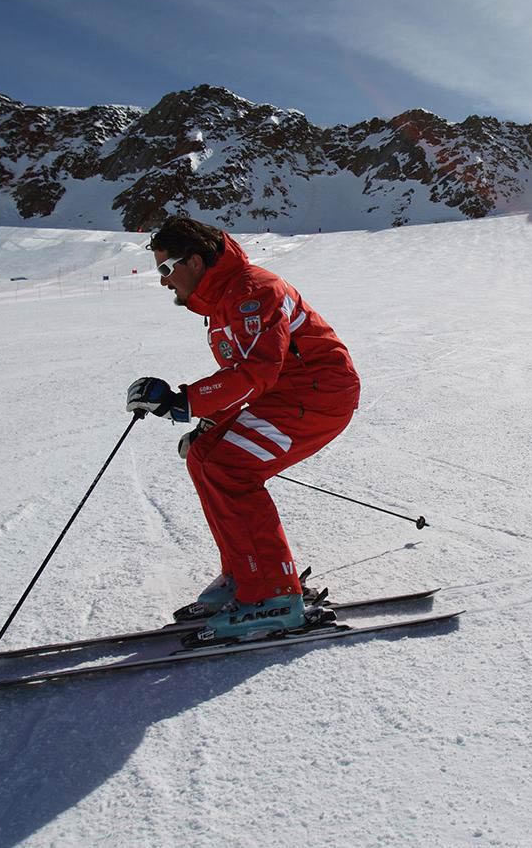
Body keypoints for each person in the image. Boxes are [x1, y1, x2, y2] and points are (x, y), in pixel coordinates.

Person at [127, 215, 361, 643]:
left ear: (194, 261)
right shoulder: (225, 299)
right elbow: (245, 374)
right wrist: (208, 422)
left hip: (318, 393)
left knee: (229, 467)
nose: (162, 282)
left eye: (165, 269)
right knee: (205, 456)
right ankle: (244, 573)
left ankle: (274, 594)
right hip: (285, 394)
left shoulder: (253, 291)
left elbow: (256, 370)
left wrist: (184, 402)